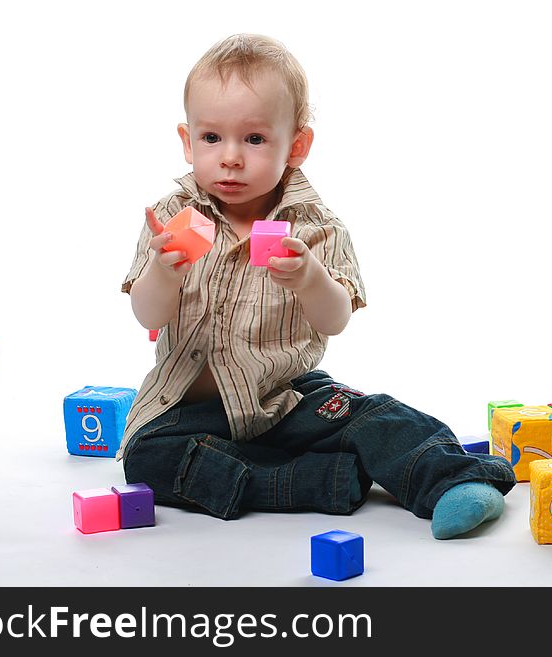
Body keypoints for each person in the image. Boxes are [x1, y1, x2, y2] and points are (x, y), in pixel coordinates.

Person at [118, 33, 515, 539]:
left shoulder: (316, 228)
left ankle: (454, 479)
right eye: (211, 138)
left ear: (297, 146)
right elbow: (149, 316)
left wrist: (309, 277)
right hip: (187, 410)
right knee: (148, 462)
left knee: (373, 418)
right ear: (186, 139)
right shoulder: (173, 217)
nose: (231, 157)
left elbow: (335, 320)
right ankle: (315, 481)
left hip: (285, 398)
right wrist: (163, 274)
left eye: (255, 139)